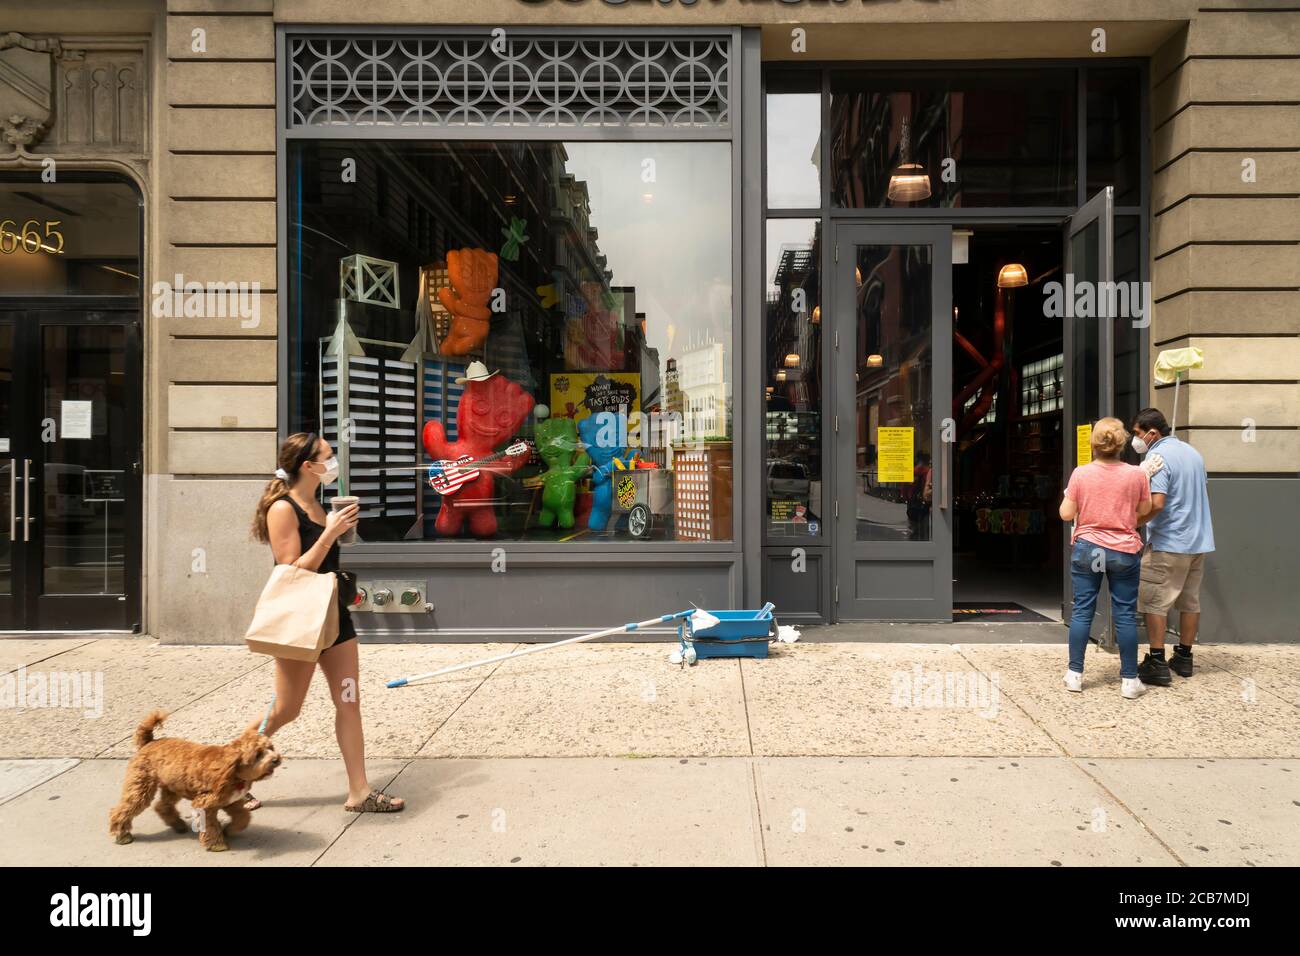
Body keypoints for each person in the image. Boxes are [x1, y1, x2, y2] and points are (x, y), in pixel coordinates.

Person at [244, 432, 405, 814]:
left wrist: (340, 531)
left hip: (335, 616)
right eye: (328, 457)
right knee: (286, 708)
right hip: (301, 618)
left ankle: (359, 791)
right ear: (308, 466)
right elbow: (292, 569)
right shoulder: (283, 508)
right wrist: (330, 531)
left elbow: (328, 556)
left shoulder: (318, 504)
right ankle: (231, 773)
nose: (334, 464)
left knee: (349, 700)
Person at [1058, 418, 1161, 699]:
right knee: (1125, 614)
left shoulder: (1081, 474)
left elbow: (1066, 514)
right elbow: (1145, 510)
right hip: (1123, 550)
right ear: (1122, 444)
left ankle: (1075, 675)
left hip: (1089, 548)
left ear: (1094, 444)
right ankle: (1129, 680)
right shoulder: (1136, 475)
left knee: (1082, 611)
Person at [1129, 407, 1215, 684]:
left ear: (1152, 433)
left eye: (1138, 434)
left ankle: (1156, 660)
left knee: (1155, 602)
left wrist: (1134, 522)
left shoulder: (1159, 457)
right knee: (1190, 601)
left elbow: (1157, 503)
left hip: (1169, 542)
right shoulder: (1193, 453)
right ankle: (1185, 657)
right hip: (1198, 541)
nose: (1136, 440)